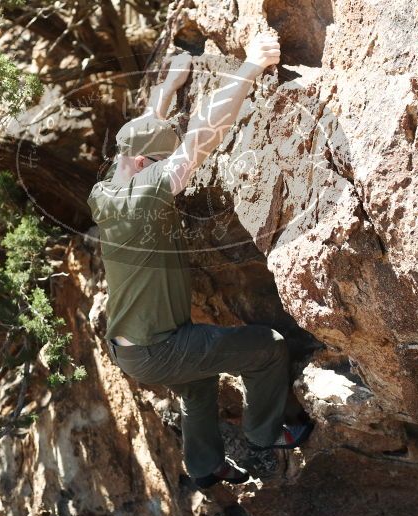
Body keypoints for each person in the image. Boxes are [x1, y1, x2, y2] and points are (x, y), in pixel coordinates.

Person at [86, 31, 311, 490]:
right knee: (267, 346)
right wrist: (249, 67)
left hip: (133, 347)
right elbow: (201, 137)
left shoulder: (105, 192)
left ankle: (205, 466)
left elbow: (146, 128)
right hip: (160, 348)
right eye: (159, 161)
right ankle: (266, 434)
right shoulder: (149, 195)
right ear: (149, 162)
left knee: (197, 383)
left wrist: (168, 88)